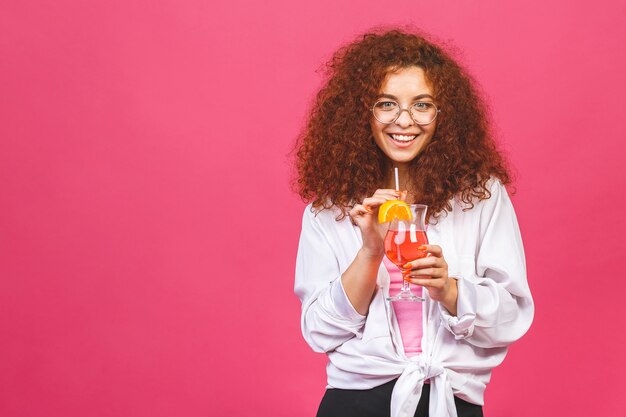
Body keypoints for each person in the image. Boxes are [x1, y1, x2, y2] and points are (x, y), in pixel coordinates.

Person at [293, 29, 534, 417]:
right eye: (386, 104)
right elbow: (320, 331)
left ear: (444, 115)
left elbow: (511, 317)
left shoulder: (481, 197)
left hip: (450, 401)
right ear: (362, 113)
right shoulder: (330, 210)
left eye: (422, 105)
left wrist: (449, 289)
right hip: (355, 404)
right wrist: (371, 252)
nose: (404, 121)